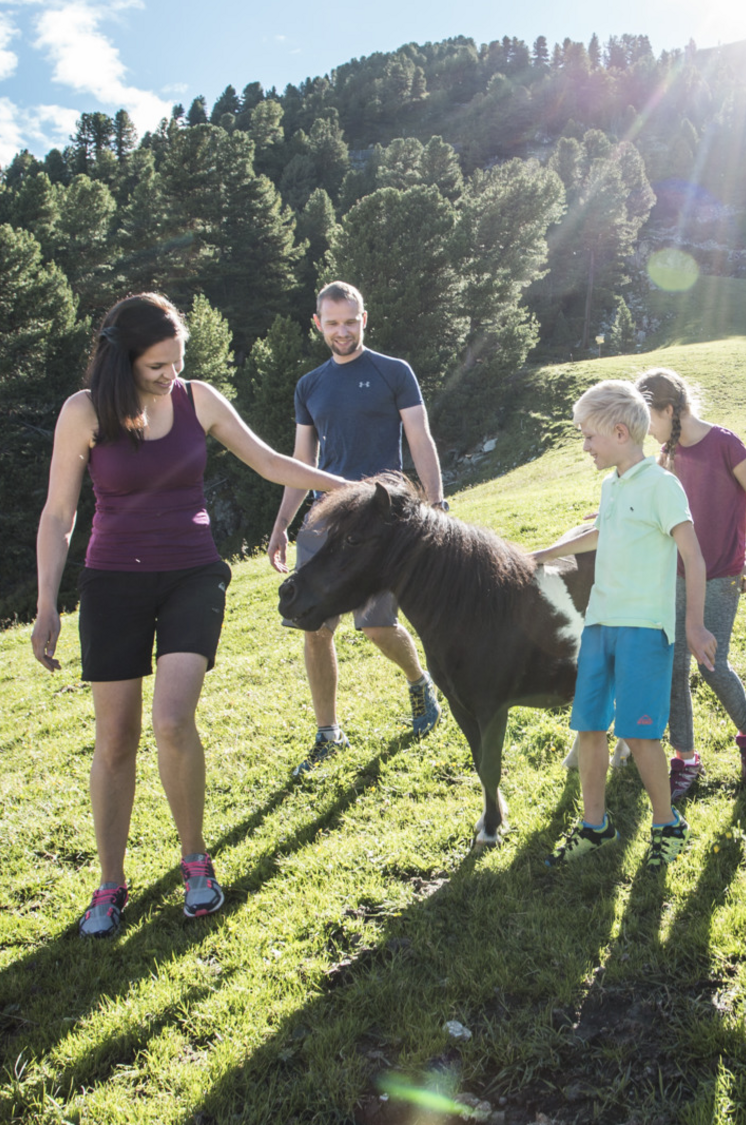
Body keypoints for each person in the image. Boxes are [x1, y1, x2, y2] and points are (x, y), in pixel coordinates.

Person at [33, 292, 349, 939]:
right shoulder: (85, 412)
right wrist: (46, 605)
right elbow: (59, 515)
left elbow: (266, 460)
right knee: (116, 736)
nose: (169, 374)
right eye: (156, 366)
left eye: (176, 361)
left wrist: (346, 485)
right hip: (112, 582)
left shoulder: (197, 399)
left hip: (192, 574)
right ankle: (110, 883)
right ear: (122, 360)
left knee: (173, 720)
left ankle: (196, 861)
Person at [532, 380, 717, 870]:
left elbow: (693, 559)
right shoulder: (611, 486)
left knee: (639, 734)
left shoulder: (662, 485)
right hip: (600, 623)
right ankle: (596, 826)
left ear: (618, 431)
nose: (585, 447)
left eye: (589, 437)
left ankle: (667, 824)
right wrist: (545, 553)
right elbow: (602, 532)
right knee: (590, 726)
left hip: (644, 628)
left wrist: (695, 626)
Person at [269, 281, 448, 774]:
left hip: (380, 518)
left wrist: (436, 502)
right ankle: (328, 733)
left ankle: (418, 682)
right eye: (333, 323)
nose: (342, 331)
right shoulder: (310, 385)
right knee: (313, 627)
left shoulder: (393, 372)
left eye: (350, 321)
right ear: (318, 324)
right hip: (325, 518)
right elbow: (301, 462)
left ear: (364, 319)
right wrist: (283, 522)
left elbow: (419, 436)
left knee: (375, 625)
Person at [636, 368, 746, 797]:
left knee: (711, 664)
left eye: (650, 418)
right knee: (673, 667)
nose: (647, 430)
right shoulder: (666, 453)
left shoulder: (725, 444)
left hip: (722, 574)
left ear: (670, 410)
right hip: (676, 574)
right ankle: (685, 758)